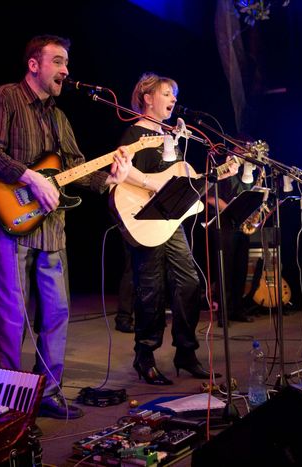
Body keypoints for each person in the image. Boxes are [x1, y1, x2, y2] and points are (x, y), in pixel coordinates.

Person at [0, 34, 133, 419]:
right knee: (12, 318)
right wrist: (29, 177)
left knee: (57, 314)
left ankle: (47, 392)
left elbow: (76, 168)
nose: (66, 69)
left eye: (66, 62)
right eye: (58, 61)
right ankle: (7, 400)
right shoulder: (4, 98)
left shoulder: (58, 117)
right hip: (10, 224)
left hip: (53, 229)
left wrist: (111, 178)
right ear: (34, 65)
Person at [117, 72, 235, 385]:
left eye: (174, 94)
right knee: (151, 289)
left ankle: (186, 351)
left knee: (189, 283)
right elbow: (121, 171)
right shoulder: (134, 134)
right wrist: (151, 184)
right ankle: (145, 355)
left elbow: (182, 182)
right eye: (167, 93)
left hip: (171, 221)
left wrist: (218, 175)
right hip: (145, 220)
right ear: (147, 98)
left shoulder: (171, 136)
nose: (173, 99)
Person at [206, 159, 260, 324]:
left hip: (242, 225)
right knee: (225, 270)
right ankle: (223, 313)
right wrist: (233, 209)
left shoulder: (248, 172)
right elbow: (210, 197)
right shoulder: (224, 169)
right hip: (225, 224)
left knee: (240, 269)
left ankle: (237, 309)